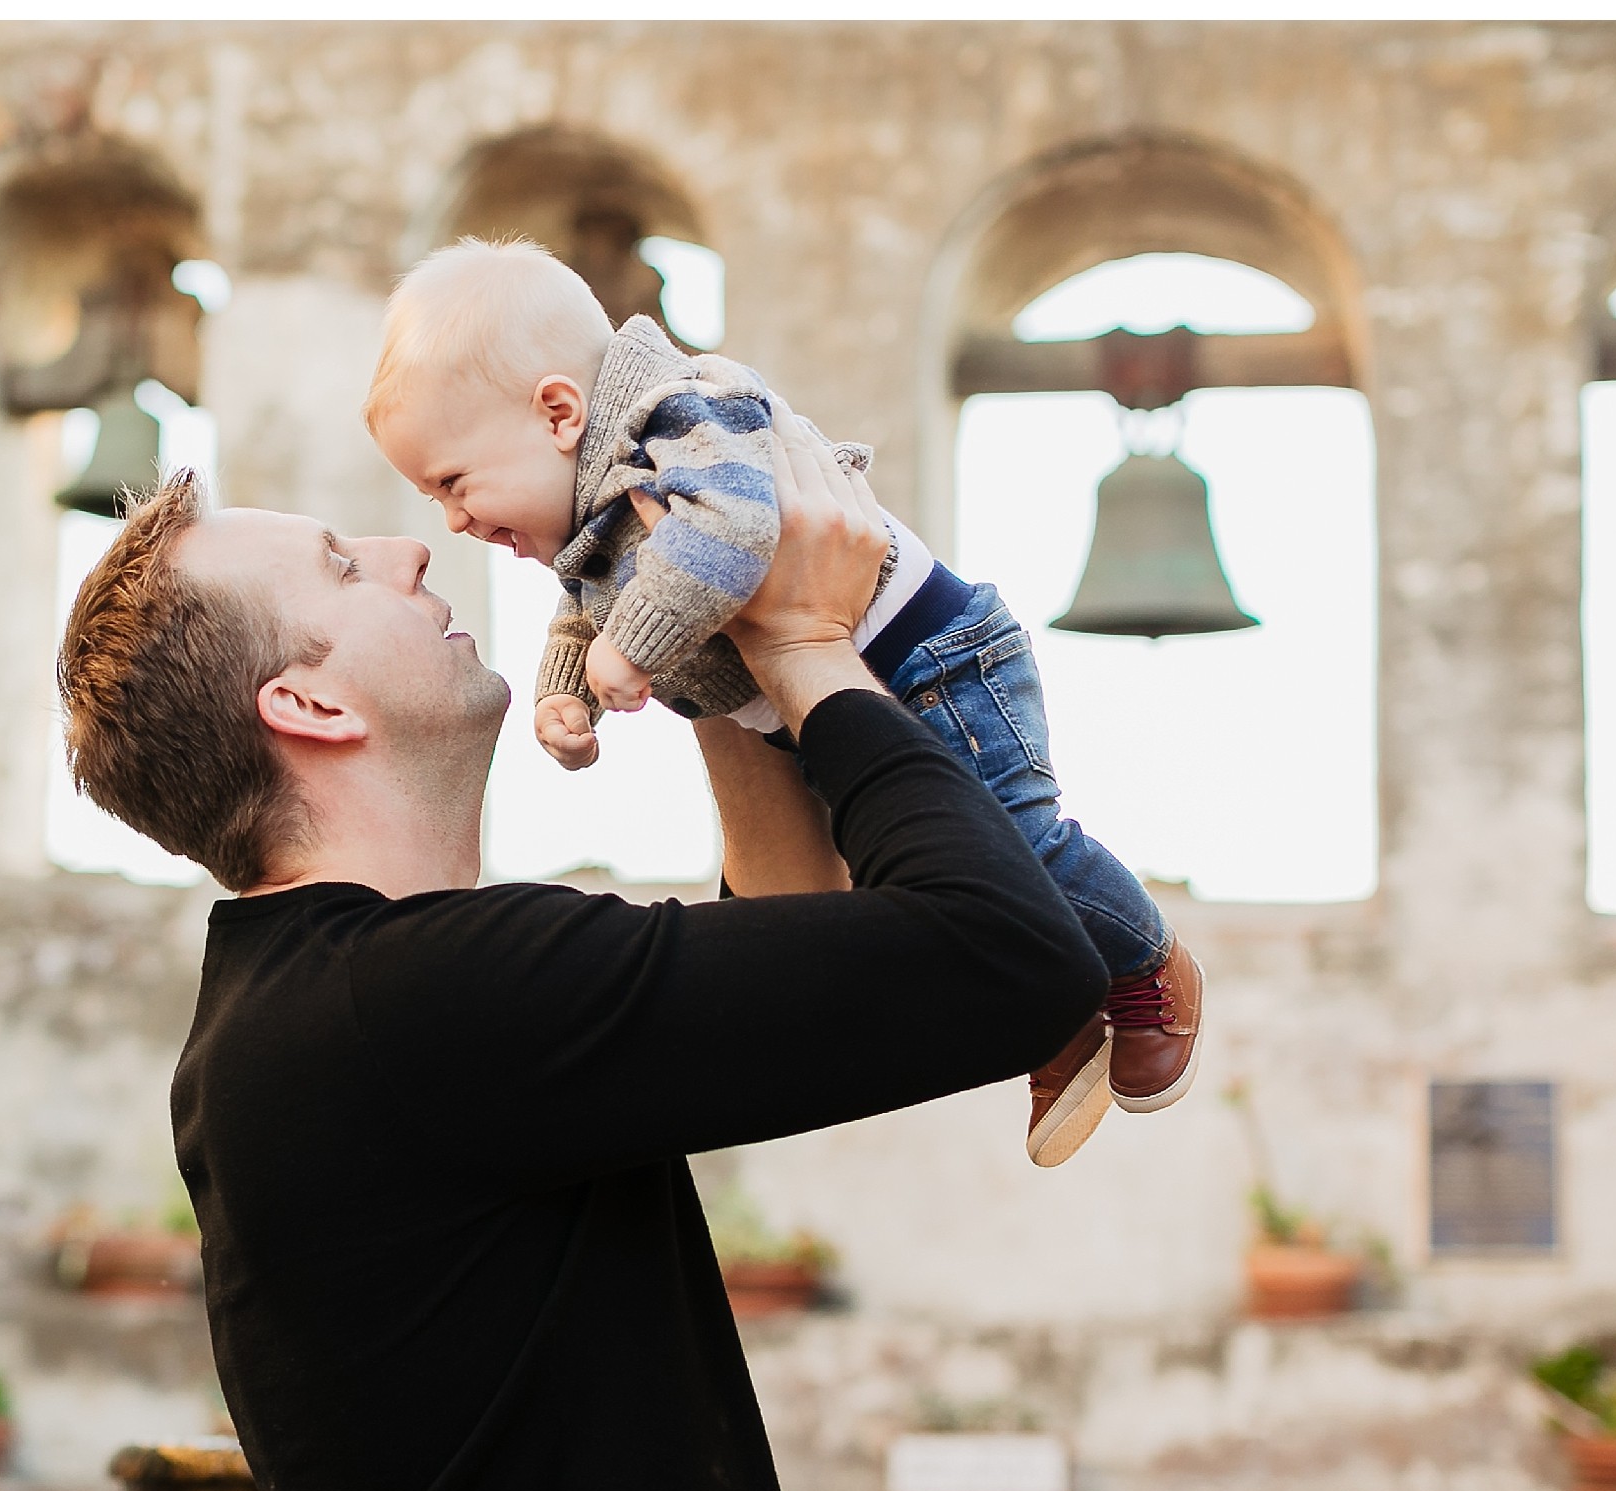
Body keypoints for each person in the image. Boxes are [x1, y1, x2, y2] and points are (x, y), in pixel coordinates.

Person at [53, 416, 1106, 1491]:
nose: (409, 552)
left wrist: (715, 623)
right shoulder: (421, 1002)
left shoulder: (337, 1003)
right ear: (305, 703)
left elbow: (810, 939)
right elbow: (1012, 959)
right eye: (344, 568)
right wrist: (808, 643)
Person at [362, 237, 1204, 1164]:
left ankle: (1146, 964)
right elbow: (588, 595)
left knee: (1016, 844)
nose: (452, 520)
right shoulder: (593, 506)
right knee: (915, 894)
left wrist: (629, 648)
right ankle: (1057, 1016)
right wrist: (569, 690)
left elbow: (738, 525)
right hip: (819, 720)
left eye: (453, 482)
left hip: (931, 661)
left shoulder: (682, 410)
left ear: (559, 412)